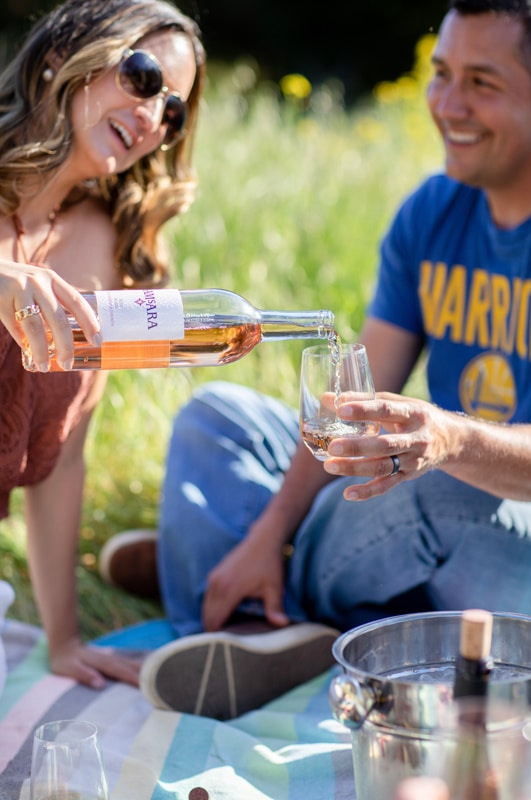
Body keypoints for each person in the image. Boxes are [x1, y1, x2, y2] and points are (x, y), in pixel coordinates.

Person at [101, 0, 531, 719]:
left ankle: (238, 582)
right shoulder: (432, 212)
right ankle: (260, 591)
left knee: (442, 479)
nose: (448, 105)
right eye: (440, 74)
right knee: (219, 418)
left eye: (482, 82)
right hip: (406, 521)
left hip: (502, 540)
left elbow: (450, 453)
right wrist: (270, 530)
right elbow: (351, 398)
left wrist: (450, 438)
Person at [0, 0, 205, 689]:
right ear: (63, 54)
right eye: (144, 77)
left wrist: (63, 640)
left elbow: (63, 460)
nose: (153, 118)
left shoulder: (104, 247)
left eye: (172, 112)